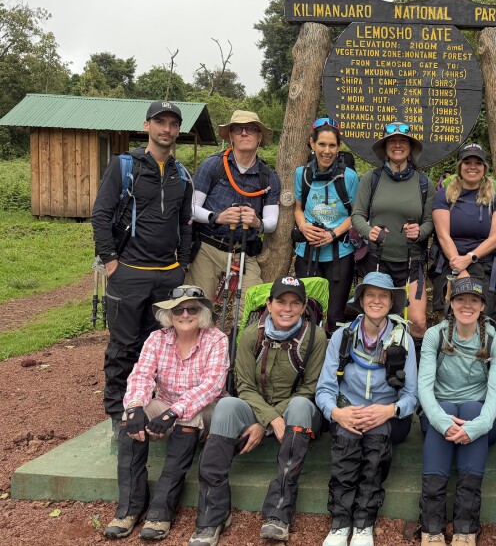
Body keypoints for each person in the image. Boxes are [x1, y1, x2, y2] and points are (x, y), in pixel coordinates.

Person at [188, 276, 327, 546]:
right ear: (268, 304)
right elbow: (244, 385)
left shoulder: (315, 336)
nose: (287, 309)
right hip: (258, 407)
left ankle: (278, 513)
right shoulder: (252, 333)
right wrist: (269, 419)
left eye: (295, 303)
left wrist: (270, 419)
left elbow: (310, 387)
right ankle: (212, 514)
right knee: (227, 406)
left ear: (302, 307)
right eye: (281, 302)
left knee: (300, 405)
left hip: (295, 411)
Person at [91, 100, 193, 431]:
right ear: (147, 126)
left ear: (178, 130)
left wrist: (184, 265)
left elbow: (185, 224)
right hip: (128, 273)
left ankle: (147, 407)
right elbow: (101, 214)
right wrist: (110, 262)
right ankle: (117, 414)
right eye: (160, 122)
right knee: (123, 346)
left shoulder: (182, 175)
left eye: (173, 124)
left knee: (159, 346)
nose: (167, 129)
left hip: (166, 276)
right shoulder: (124, 166)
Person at [105, 287, 227, 540]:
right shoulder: (156, 339)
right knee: (130, 424)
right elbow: (141, 374)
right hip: (165, 403)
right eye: (177, 309)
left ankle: (161, 510)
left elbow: (212, 385)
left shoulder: (216, 339)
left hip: (203, 408)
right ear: (168, 314)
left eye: (191, 309)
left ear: (202, 313)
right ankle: (130, 506)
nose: (184, 314)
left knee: (186, 421)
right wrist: (135, 406)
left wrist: (174, 412)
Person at [316, 272, 419, 546]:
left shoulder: (403, 340)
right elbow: (325, 389)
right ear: (360, 300)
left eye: (383, 295)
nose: (376, 300)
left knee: (375, 438)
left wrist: (389, 410)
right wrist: (337, 413)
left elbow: (412, 396)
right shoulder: (342, 336)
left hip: (389, 417)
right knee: (347, 439)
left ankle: (363, 523)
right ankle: (340, 523)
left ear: (391, 302)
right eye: (370, 295)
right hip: (347, 411)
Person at [418, 277, 496, 546]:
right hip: (437, 419)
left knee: (471, 408)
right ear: (451, 303)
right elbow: (424, 387)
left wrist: (476, 426)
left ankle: (465, 527)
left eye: (474, 300)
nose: (466, 305)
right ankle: (432, 527)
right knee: (445, 407)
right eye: (460, 299)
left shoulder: (495, 341)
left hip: (480, 421)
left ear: (482, 306)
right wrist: (443, 421)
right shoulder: (436, 335)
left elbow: (495, 393)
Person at [350, 122, 435, 348]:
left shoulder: (425, 183)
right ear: (385, 147)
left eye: (403, 141)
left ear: (410, 147)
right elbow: (357, 215)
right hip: (377, 260)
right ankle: (378, 367)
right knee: (376, 319)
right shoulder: (371, 179)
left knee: (417, 321)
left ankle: (414, 373)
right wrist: (369, 231)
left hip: (411, 261)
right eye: (392, 142)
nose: (397, 145)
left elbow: (430, 222)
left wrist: (420, 232)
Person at [188, 110, 281, 298]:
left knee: (252, 303)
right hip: (208, 247)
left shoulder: (268, 177)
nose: (244, 133)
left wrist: (257, 222)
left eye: (252, 129)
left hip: (243, 251)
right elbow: (190, 208)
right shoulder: (213, 165)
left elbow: (271, 222)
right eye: (238, 129)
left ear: (259, 137)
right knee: (197, 305)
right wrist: (216, 217)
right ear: (231, 136)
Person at [293, 116, 359, 330]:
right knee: (308, 312)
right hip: (307, 252)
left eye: (332, 145)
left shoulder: (348, 176)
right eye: (322, 144)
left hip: (340, 254)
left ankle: (333, 361)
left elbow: (356, 214)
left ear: (339, 147)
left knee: (334, 316)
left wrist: (333, 234)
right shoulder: (302, 174)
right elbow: (298, 208)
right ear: (312, 143)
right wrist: (303, 226)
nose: (327, 151)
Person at [431, 143, 496, 321]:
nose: (472, 167)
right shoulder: (444, 195)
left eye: (478, 163)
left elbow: (495, 239)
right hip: (451, 262)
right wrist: (459, 266)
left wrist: (469, 259)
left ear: (484, 168)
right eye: (467, 162)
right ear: (460, 166)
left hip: (484, 263)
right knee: (450, 317)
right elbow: (443, 235)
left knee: (484, 318)